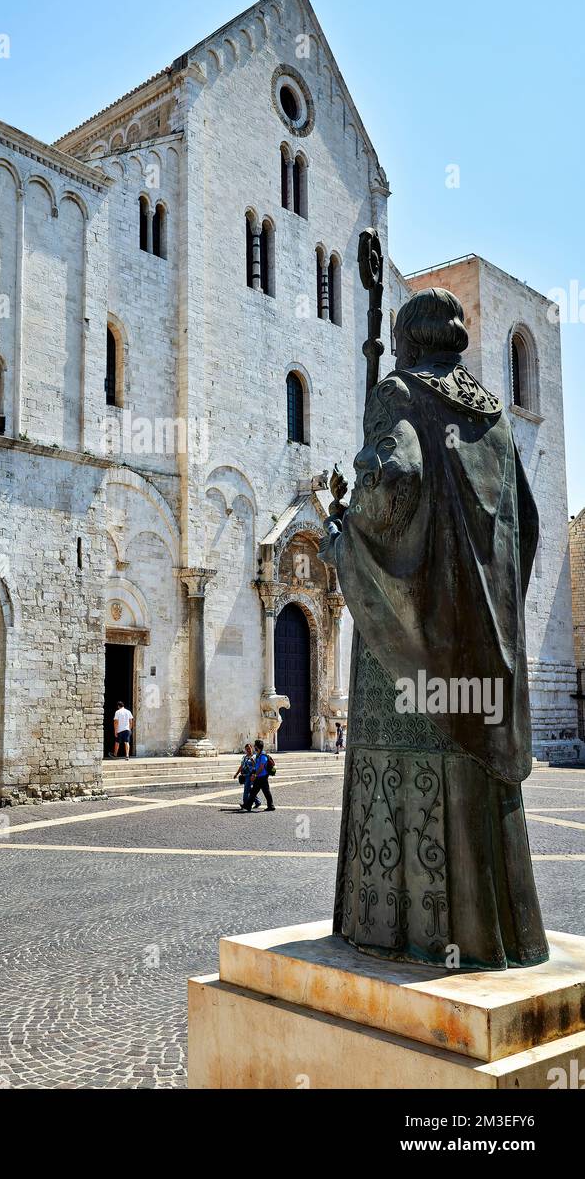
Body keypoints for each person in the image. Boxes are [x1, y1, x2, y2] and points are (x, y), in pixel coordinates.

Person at [320, 286, 548, 970]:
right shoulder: (495, 421)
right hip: (484, 645)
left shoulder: (399, 393)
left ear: (407, 340)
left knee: (409, 772)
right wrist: (490, 605)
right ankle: (502, 939)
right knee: (477, 777)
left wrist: (343, 532)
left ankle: (398, 935)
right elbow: (527, 526)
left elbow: (391, 485)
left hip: (414, 647)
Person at [241, 739, 275, 811]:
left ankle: (271, 806)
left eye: (255, 746)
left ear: (258, 747)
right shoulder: (258, 755)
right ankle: (248, 805)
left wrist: (255, 775)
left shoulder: (263, 756)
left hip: (263, 777)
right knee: (254, 792)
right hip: (259, 776)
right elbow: (257, 766)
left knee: (265, 792)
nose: (254, 747)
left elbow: (261, 767)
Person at [234, 743, 260, 809]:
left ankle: (245, 804)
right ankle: (257, 801)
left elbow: (257, 767)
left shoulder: (255, 757)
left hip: (251, 775)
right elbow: (241, 766)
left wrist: (253, 761)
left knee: (246, 790)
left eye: (249, 748)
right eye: (247, 749)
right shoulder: (244, 757)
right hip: (245, 775)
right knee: (250, 790)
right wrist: (237, 774)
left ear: (252, 748)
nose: (248, 750)